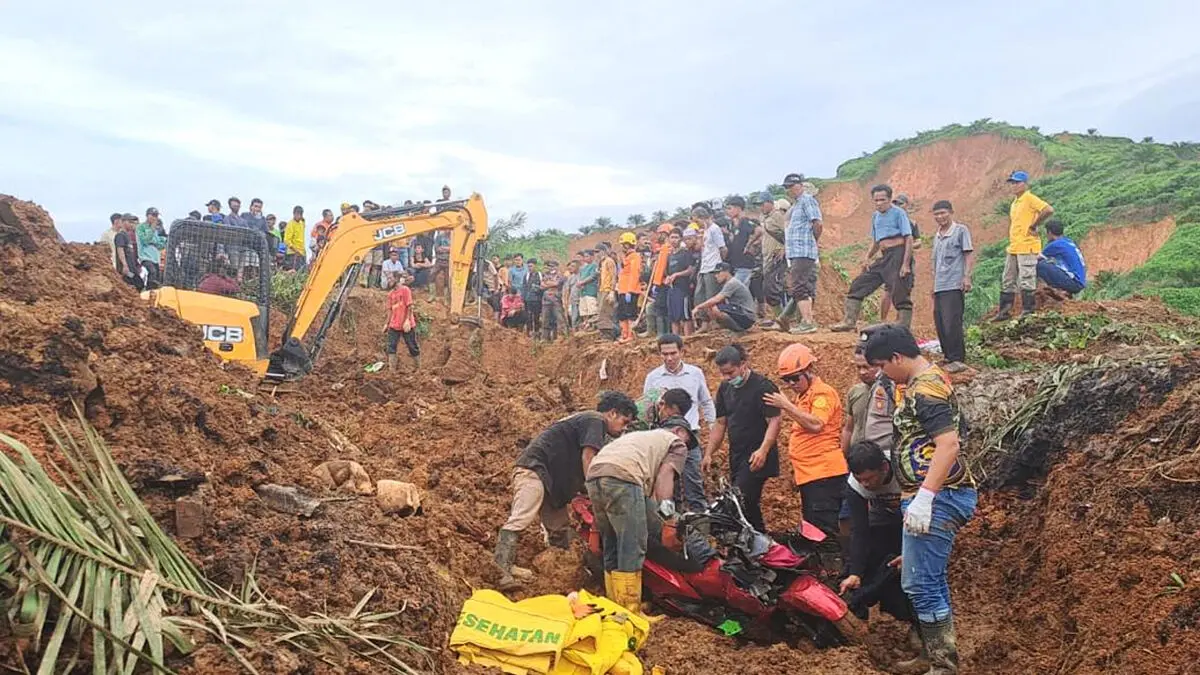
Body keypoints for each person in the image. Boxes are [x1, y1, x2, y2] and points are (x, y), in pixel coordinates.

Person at [862, 324, 976, 673]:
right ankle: (934, 655)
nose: (882, 373)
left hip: (940, 496)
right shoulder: (921, 383)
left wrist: (925, 497)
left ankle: (943, 665)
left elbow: (949, 444)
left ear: (897, 357)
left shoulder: (926, 390)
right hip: (931, 495)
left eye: (882, 365)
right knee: (930, 580)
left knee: (920, 583)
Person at [495, 391, 638, 589]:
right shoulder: (596, 420)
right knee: (521, 517)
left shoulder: (587, 422)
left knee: (559, 528)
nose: (624, 428)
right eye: (624, 422)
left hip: (550, 480)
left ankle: (561, 572)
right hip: (535, 470)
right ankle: (500, 569)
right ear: (612, 413)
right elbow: (588, 458)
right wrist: (596, 492)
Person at [586, 420, 695, 612]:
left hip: (594, 474)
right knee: (632, 544)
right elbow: (664, 479)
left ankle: (615, 606)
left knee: (612, 542)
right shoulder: (676, 443)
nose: (688, 446)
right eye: (689, 439)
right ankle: (630, 611)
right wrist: (670, 521)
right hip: (623, 477)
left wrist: (596, 529)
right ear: (678, 431)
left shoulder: (641, 440)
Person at [764, 344, 848, 542]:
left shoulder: (822, 393)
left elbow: (816, 424)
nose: (792, 383)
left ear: (809, 370)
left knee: (825, 532)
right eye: (787, 380)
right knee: (814, 528)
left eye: (795, 378)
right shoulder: (804, 396)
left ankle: (835, 560)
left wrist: (786, 405)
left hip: (824, 474)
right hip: (810, 475)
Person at [704, 344, 781, 533]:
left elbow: (774, 421)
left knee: (739, 498)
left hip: (758, 455)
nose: (727, 378)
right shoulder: (725, 388)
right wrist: (709, 453)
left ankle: (755, 539)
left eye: (730, 373)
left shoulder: (763, 387)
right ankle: (760, 539)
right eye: (723, 374)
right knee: (748, 504)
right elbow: (720, 423)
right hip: (737, 455)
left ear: (743, 364)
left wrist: (763, 450)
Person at [838, 441, 912, 633]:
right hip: (881, 517)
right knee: (875, 561)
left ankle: (917, 624)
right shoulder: (854, 486)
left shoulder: (906, 470)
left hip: (913, 518)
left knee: (909, 570)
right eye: (860, 479)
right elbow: (859, 529)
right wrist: (855, 572)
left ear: (884, 468)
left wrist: (911, 552)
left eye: (869, 479)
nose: (865, 484)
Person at [643, 334, 717, 511]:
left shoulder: (695, 374)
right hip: (664, 439)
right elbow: (647, 407)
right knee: (668, 483)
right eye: (665, 354)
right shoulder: (653, 377)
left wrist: (713, 426)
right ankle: (672, 521)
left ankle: (699, 519)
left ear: (682, 351)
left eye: (673, 353)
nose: (669, 358)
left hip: (689, 436)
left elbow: (706, 401)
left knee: (694, 481)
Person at [832, 184, 915, 331]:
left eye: (882, 200)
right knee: (859, 284)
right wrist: (867, 258)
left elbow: (908, 238)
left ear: (889, 199)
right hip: (884, 255)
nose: (879, 203)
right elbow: (876, 241)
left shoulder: (899, 213)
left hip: (899, 254)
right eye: (876, 200)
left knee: (899, 289)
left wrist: (905, 264)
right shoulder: (876, 216)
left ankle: (903, 325)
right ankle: (849, 321)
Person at [997, 170, 1054, 320]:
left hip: (1027, 245)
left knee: (1026, 278)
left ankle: (1028, 310)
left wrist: (1034, 225)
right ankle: (1004, 312)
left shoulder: (1029, 198)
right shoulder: (1015, 203)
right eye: (1012, 183)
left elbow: (1048, 209)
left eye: (1017, 182)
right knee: (1008, 278)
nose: (1014, 186)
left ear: (1025, 184)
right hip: (1014, 246)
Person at [930, 201, 975, 373]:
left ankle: (958, 358)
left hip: (953, 284)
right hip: (940, 285)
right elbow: (935, 263)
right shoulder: (937, 236)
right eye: (936, 214)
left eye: (943, 213)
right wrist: (933, 285)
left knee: (952, 322)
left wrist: (966, 276)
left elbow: (968, 254)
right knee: (940, 322)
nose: (940, 217)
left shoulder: (960, 231)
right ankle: (948, 356)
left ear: (951, 212)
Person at [780, 173, 821, 334]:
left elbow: (817, 223)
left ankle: (808, 322)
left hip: (803, 250)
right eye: (787, 187)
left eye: (792, 186)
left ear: (800, 185)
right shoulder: (796, 204)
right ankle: (807, 321)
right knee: (801, 285)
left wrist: (812, 240)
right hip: (797, 251)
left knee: (798, 286)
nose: (789, 189)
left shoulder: (807, 200)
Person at [879, 193, 923, 322]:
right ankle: (882, 320)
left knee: (904, 291)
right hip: (890, 260)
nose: (897, 205)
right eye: (895, 203)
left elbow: (918, 241)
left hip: (907, 261)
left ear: (907, 205)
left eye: (900, 203)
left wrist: (908, 246)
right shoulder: (888, 222)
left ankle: (900, 322)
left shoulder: (912, 223)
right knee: (888, 290)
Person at [692, 263, 756, 333]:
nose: (716, 276)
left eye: (718, 273)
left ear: (726, 272)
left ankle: (738, 331)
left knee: (715, 308)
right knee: (711, 307)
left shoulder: (732, 283)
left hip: (746, 315)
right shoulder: (728, 283)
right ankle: (731, 329)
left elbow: (716, 299)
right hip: (742, 313)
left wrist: (698, 307)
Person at [755, 194, 788, 324]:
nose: (760, 207)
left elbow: (788, 233)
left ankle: (782, 317)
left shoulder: (778, 216)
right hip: (767, 257)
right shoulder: (763, 217)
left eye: (762, 204)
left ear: (769, 203)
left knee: (772, 288)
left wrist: (784, 248)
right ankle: (780, 317)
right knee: (770, 288)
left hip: (777, 257)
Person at [693, 206, 727, 329]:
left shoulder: (714, 229)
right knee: (699, 296)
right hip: (704, 267)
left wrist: (720, 265)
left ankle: (716, 323)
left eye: (697, 220)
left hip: (713, 267)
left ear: (702, 217)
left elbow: (723, 248)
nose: (696, 224)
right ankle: (705, 323)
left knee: (712, 296)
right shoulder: (705, 231)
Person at [1037, 219, 1087, 299]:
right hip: (1079, 282)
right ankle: (1063, 291)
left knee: (1040, 265)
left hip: (1074, 282)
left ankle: (1058, 290)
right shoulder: (1068, 241)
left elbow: (1037, 258)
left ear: (1049, 232)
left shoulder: (1055, 244)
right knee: (1050, 264)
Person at [383, 272, 420, 372]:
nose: (389, 281)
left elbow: (409, 306)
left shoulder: (405, 290)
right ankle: (392, 370)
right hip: (394, 325)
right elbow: (390, 310)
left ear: (396, 278)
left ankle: (418, 369)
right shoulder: (390, 294)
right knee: (391, 346)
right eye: (388, 279)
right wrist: (386, 324)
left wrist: (407, 320)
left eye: (390, 278)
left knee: (412, 346)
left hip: (406, 325)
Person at [616, 233, 643, 343]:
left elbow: (634, 274)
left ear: (628, 244)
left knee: (630, 313)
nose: (622, 247)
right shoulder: (626, 257)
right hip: (622, 289)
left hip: (630, 290)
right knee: (622, 314)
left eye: (623, 244)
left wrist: (630, 290)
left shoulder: (635, 257)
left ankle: (631, 335)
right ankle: (624, 334)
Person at [724, 196, 757, 285]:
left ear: (738, 208)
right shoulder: (735, 225)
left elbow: (759, 231)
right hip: (736, 265)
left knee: (737, 290)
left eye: (730, 208)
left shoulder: (745, 222)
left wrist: (749, 245)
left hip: (744, 265)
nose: (728, 211)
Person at [136, 207, 168, 290]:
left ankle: (154, 292)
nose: (154, 218)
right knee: (152, 272)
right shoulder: (141, 227)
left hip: (155, 258)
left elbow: (160, 244)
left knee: (157, 277)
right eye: (153, 215)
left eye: (156, 216)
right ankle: (148, 291)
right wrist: (152, 229)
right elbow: (145, 240)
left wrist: (158, 241)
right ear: (147, 215)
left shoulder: (156, 230)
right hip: (145, 256)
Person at [113, 214, 143, 290]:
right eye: (130, 222)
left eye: (133, 222)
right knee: (134, 285)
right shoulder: (120, 235)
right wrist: (124, 265)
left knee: (139, 284)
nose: (131, 224)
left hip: (132, 269)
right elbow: (120, 250)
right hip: (126, 270)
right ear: (123, 222)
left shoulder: (128, 236)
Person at [596, 243, 619, 340]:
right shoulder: (602, 262)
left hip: (608, 290)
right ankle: (605, 334)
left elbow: (614, 276)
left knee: (606, 313)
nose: (597, 254)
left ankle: (609, 335)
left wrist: (612, 292)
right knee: (601, 313)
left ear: (603, 251)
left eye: (598, 251)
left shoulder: (609, 261)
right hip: (602, 289)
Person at [540, 260, 566, 341]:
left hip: (556, 299)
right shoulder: (546, 275)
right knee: (545, 319)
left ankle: (561, 337)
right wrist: (550, 284)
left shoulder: (561, 275)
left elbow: (556, 283)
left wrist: (548, 284)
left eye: (553, 266)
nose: (551, 268)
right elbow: (542, 285)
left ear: (557, 267)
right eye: (550, 266)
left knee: (559, 319)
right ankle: (545, 338)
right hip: (546, 300)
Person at [576, 249, 600, 329]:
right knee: (584, 310)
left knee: (592, 309)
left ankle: (592, 325)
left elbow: (592, 276)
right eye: (585, 256)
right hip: (583, 291)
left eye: (587, 256)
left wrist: (582, 282)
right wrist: (579, 283)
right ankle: (586, 324)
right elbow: (580, 278)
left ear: (592, 257)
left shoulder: (594, 266)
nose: (585, 258)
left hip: (590, 291)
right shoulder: (583, 268)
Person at [524, 258, 544, 338]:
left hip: (537, 299)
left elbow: (543, 287)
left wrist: (537, 289)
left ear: (535, 266)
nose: (529, 268)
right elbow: (524, 287)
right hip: (528, 299)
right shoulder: (526, 275)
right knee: (528, 316)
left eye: (531, 266)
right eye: (528, 266)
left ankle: (537, 332)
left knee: (536, 316)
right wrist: (524, 298)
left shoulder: (540, 275)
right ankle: (529, 332)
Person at [283, 206, 306, 271]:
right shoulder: (290, 224)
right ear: (294, 214)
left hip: (301, 252)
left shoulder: (301, 223)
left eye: (300, 214)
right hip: (293, 253)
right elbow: (287, 240)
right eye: (297, 214)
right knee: (293, 273)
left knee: (301, 273)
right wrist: (295, 250)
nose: (299, 216)